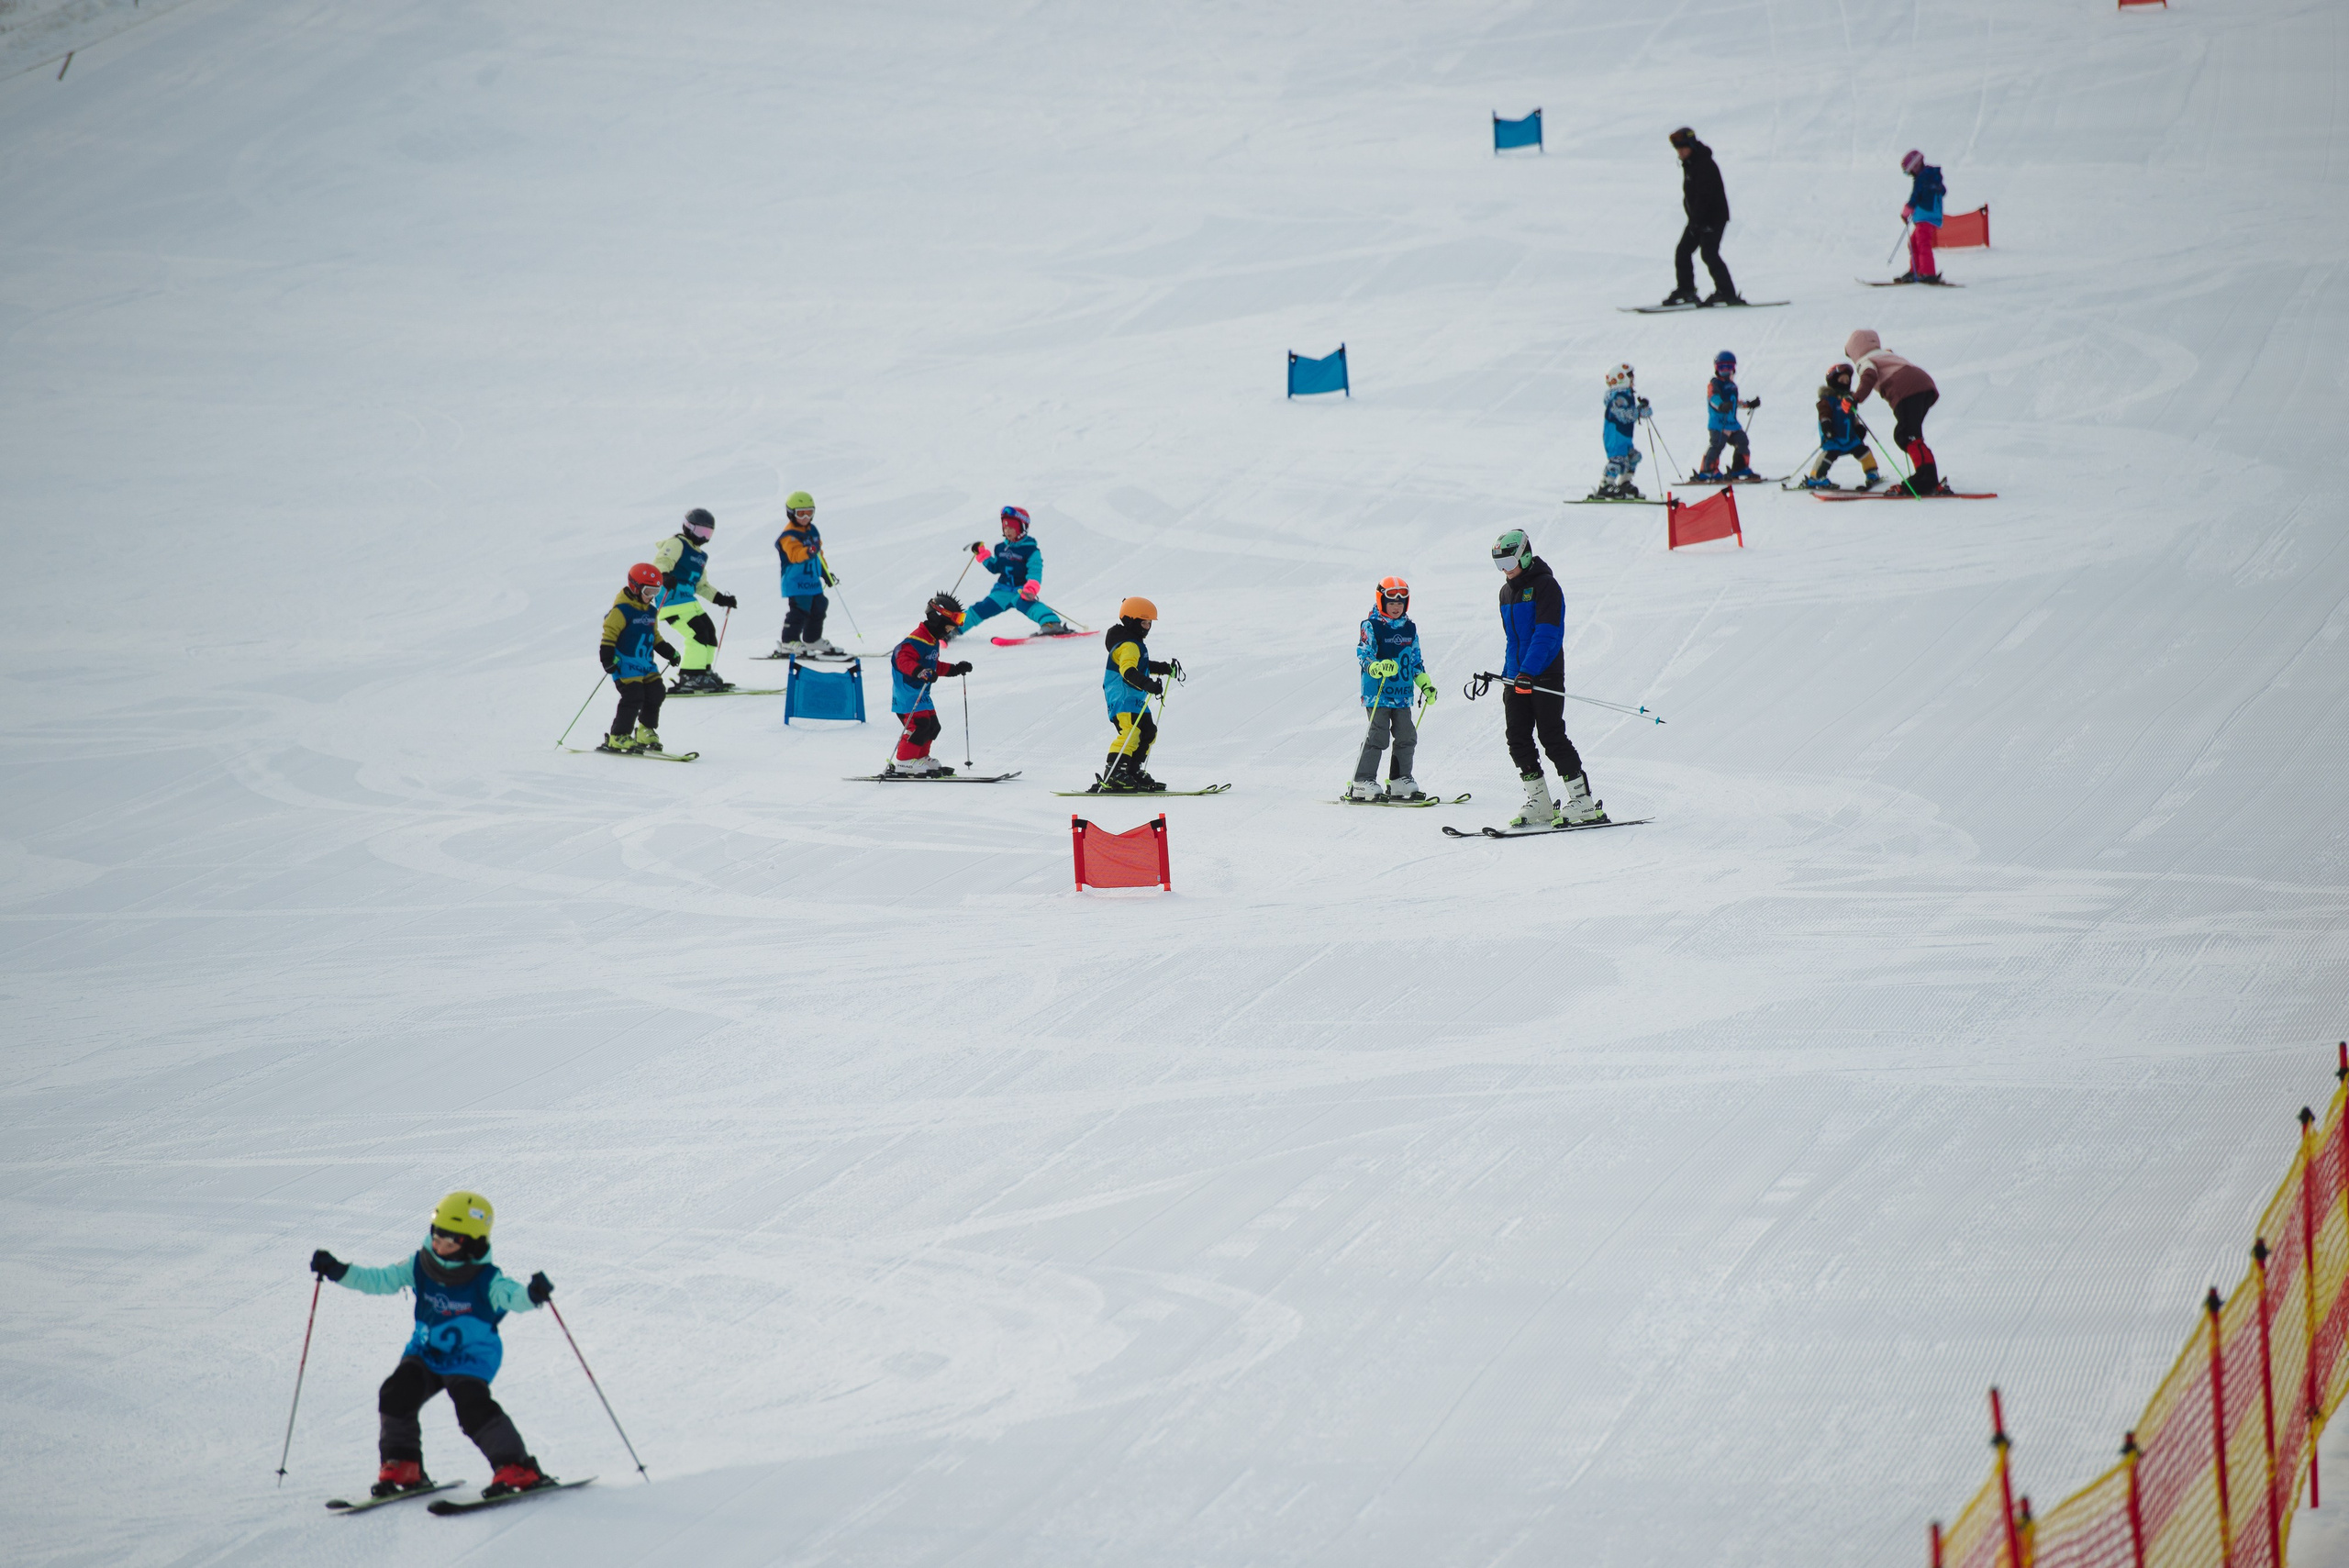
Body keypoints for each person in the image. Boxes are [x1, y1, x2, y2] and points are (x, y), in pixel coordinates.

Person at [308, 1191, 557, 1500]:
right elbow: (379, 1280)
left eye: (450, 1241)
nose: (439, 1245)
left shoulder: (486, 1279)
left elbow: (512, 1296)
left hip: (469, 1357)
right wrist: (338, 1270)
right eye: (437, 1235)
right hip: (426, 1351)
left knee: (471, 1407)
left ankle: (518, 1467)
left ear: (472, 1244)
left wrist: (532, 1295)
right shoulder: (420, 1264)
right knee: (396, 1393)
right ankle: (404, 1464)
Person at [1491, 530, 1605, 828]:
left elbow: (1547, 634)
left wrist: (1529, 671)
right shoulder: (1506, 593)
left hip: (1545, 673)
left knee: (1551, 735)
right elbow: (1512, 640)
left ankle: (1583, 801)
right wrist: (1509, 676)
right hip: (1518, 677)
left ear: (1525, 555)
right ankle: (1539, 801)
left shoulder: (1546, 587)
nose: (1504, 569)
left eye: (1508, 561)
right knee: (1516, 738)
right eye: (1498, 563)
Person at [1349, 576, 1436, 802]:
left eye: (1401, 603)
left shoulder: (1410, 628)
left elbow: (1416, 661)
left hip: (1402, 694)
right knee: (1377, 736)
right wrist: (1376, 667)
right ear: (1381, 602)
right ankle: (1362, 780)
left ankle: (1400, 779)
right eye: (1391, 603)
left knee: (1407, 735)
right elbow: (1364, 654)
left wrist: (1425, 684)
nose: (1396, 607)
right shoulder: (1372, 625)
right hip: (1377, 693)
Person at [1092, 596, 1179, 794]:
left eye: (1149, 623)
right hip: (1123, 698)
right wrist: (1148, 684)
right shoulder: (1128, 645)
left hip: (1136, 699)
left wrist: (1164, 668)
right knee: (1131, 733)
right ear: (1132, 621)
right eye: (1144, 622)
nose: (1147, 627)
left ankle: (1132, 770)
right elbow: (1128, 671)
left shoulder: (1134, 644)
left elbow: (1143, 666)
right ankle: (1114, 772)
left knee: (1149, 732)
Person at [1844, 329, 1943, 495]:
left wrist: (1855, 398)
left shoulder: (1865, 360)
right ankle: (1928, 476)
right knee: (1911, 435)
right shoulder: (1885, 354)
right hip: (1924, 385)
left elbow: (1869, 376)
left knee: (1905, 434)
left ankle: (1926, 479)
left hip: (1906, 390)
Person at [885, 593, 972, 777]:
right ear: (937, 619)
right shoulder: (915, 641)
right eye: (948, 627)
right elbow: (902, 660)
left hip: (921, 694)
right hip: (906, 695)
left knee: (933, 726)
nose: (948, 632)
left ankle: (920, 757)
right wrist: (920, 672)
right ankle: (904, 761)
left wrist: (955, 669)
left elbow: (934, 666)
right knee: (919, 725)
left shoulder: (932, 641)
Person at [653, 507, 738, 693]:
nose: (703, 537)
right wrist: (664, 575)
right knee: (697, 634)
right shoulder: (677, 543)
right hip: (671, 601)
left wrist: (721, 599)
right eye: (700, 531)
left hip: (688, 602)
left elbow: (701, 585)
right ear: (687, 527)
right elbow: (662, 561)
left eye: (707, 533)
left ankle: (704, 672)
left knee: (709, 631)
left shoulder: (700, 556)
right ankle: (690, 676)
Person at [598, 562, 680, 752]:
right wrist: (607, 659)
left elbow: (654, 637)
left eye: (656, 592)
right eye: (648, 591)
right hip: (625, 664)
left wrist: (669, 652)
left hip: (646, 664)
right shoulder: (621, 611)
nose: (651, 597)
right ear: (635, 587)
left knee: (657, 692)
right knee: (634, 695)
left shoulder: (651, 611)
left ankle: (645, 730)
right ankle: (618, 735)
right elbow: (609, 635)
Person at [961, 506, 1071, 637]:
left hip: (1021, 590)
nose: (1008, 531)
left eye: (1012, 528)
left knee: (1032, 607)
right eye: (1005, 528)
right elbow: (995, 567)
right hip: (1002, 591)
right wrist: (982, 554)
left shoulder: (1030, 550)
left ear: (1022, 528)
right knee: (980, 609)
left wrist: (1030, 589)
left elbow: (1035, 572)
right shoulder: (1000, 548)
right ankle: (953, 629)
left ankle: (1051, 624)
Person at [1662, 128, 1740, 307]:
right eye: (1677, 149)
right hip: (1698, 219)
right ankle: (1686, 290)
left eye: (1682, 148)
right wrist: (1694, 220)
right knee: (1683, 251)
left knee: (1709, 253)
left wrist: (1700, 221)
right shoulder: (1691, 164)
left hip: (1713, 218)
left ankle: (1727, 293)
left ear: (1691, 146)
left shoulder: (1704, 164)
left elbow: (1706, 196)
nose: (1680, 152)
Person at [773, 491, 841, 657]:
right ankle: (788, 642)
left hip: (812, 581)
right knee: (800, 610)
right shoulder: (789, 536)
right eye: (800, 513)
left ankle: (812, 639)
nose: (805, 517)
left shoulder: (813, 530)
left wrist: (825, 573)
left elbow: (819, 555)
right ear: (791, 514)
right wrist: (808, 550)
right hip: (796, 581)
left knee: (820, 606)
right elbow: (794, 556)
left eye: (809, 513)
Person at [1800, 363, 1880, 489]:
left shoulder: (1849, 400)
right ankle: (1816, 477)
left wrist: (1858, 428)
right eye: (1841, 380)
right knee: (1829, 455)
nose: (1845, 383)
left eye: (1847, 380)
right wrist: (1826, 427)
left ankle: (1872, 473)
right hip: (1833, 437)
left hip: (1849, 437)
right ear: (1833, 381)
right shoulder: (1826, 400)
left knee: (1863, 451)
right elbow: (1824, 414)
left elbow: (1853, 417)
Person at [1692, 350, 1761, 481]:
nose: (1725, 371)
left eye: (1729, 368)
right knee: (1717, 444)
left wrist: (1749, 404)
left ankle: (1739, 468)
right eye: (1722, 368)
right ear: (1716, 368)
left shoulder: (1732, 386)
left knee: (1742, 441)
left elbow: (1735, 402)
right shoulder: (1715, 384)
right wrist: (1721, 405)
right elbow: (1713, 398)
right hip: (1719, 423)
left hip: (1732, 424)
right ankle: (1707, 470)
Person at [1591, 363, 1651, 499]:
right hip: (1614, 436)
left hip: (1624, 436)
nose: (1633, 380)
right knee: (1617, 460)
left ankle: (1624, 483)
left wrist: (1643, 408)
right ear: (1621, 378)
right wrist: (1639, 411)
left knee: (1633, 457)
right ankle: (1605, 485)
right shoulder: (1616, 398)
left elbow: (1636, 414)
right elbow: (1624, 415)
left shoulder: (1626, 395)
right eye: (1630, 377)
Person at [1896, 150, 1948, 284]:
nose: (1911, 174)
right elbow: (1943, 191)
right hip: (1928, 216)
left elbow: (1915, 197)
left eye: (1910, 171)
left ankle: (1927, 272)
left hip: (1926, 216)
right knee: (1913, 243)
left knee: (1922, 243)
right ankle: (1916, 270)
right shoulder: (1932, 176)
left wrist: (1905, 213)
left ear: (1915, 166)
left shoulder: (1923, 178)